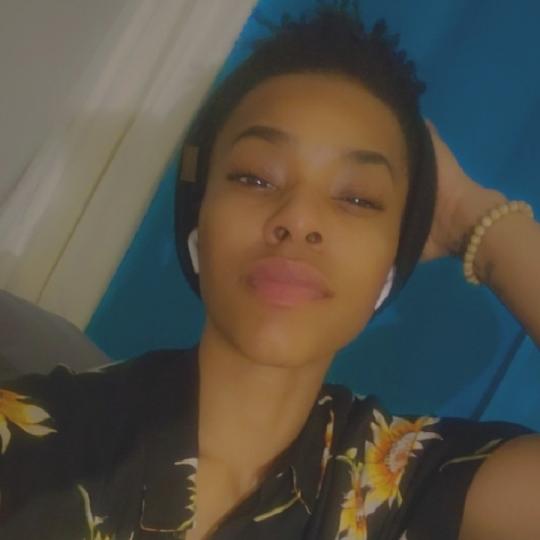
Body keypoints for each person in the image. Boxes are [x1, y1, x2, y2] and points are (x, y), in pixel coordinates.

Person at [0, 5, 539, 540]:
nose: (299, 219)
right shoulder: (31, 437)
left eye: (357, 198)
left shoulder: (400, 489)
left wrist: (471, 218)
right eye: (255, 178)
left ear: (391, 263)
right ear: (198, 213)